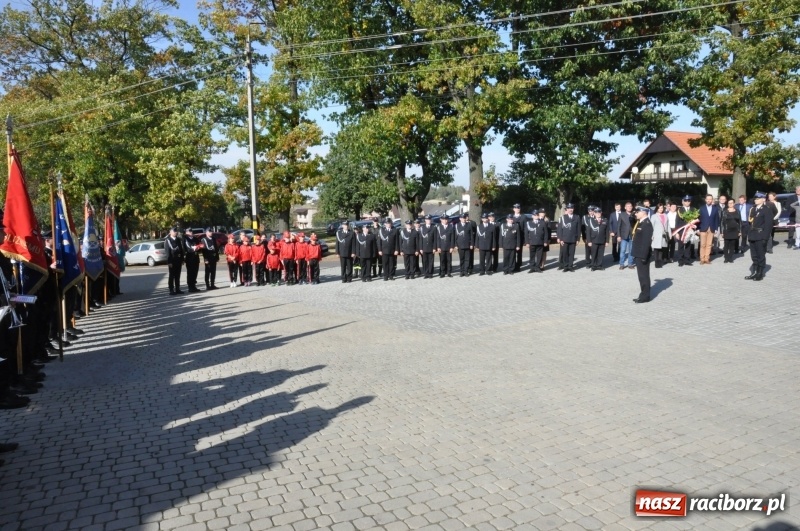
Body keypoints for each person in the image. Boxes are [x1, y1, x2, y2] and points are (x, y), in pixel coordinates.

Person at [745, 192, 771, 281]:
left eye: (757, 199)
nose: (755, 200)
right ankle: (754, 272)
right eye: (755, 199)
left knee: (760, 255)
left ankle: (760, 273)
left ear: (763, 199)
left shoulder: (766, 210)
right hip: (752, 235)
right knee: (754, 255)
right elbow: (750, 223)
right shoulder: (753, 209)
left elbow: (768, 225)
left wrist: (765, 238)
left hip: (760, 235)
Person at [631, 205, 654, 303]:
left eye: (637, 212)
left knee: (643, 276)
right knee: (641, 276)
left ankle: (645, 296)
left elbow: (646, 242)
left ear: (644, 212)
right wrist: (633, 214)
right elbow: (631, 219)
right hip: (639, 254)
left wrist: (644, 256)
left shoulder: (647, 224)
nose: (636, 213)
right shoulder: (641, 222)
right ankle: (643, 294)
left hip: (642, 255)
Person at [556, 203, 581, 272]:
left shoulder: (577, 217)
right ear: (567, 209)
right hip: (565, 239)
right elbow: (560, 229)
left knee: (572, 253)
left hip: (573, 239)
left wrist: (578, 239)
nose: (570, 209)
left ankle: (570, 266)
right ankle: (565, 266)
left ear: (573, 209)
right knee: (565, 253)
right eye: (569, 208)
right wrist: (560, 238)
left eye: (572, 208)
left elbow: (578, 229)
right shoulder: (563, 218)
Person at [698, 194, 720, 264]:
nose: (709, 200)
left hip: (711, 228)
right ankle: (702, 258)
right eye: (708, 199)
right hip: (703, 228)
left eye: (710, 199)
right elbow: (698, 219)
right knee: (702, 244)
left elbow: (717, 219)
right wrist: (698, 228)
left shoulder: (715, 208)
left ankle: (707, 258)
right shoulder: (701, 208)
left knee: (709, 244)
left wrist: (716, 228)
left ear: (712, 200)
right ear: (705, 200)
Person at [524, 208, 548, 273]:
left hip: (540, 242)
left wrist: (545, 241)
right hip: (531, 242)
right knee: (532, 255)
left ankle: (537, 267)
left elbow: (546, 233)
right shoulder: (528, 223)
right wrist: (527, 242)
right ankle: (532, 267)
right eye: (534, 215)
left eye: (537, 215)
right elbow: (526, 234)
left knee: (539, 256)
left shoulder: (543, 223)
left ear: (538, 216)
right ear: (532, 216)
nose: (535, 216)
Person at [165, 227, 184, 295]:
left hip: (178, 260)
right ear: (170, 232)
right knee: (172, 275)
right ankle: (171, 289)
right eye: (174, 231)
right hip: (172, 260)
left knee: (177, 275)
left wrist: (182, 259)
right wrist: (169, 262)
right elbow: (167, 252)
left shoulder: (178, 240)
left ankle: (177, 288)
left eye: (176, 231)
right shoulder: (168, 240)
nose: (176, 232)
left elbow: (181, 250)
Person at [721, 199, 742, 263]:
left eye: (731, 203)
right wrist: (722, 232)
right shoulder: (724, 211)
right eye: (729, 203)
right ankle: (726, 257)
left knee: (732, 244)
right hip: (727, 230)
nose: (730, 204)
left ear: (734, 204)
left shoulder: (737, 211)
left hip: (735, 230)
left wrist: (740, 231)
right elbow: (722, 222)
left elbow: (740, 221)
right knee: (726, 244)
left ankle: (730, 257)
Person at [616, 202, 635, 270]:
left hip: (632, 235)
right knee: (623, 250)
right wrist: (618, 235)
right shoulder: (621, 215)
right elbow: (618, 226)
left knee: (631, 250)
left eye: (630, 206)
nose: (629, 207)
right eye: (628, 206)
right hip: (624, 235)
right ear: (625, 207)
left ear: (632, 207)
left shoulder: (634, 214)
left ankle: (630, 263)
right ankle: (621, 264)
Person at [183, 227, 201, 292]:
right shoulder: (185, 239)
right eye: (189, 231)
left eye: (191, 231)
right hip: (189, 258)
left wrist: (199, 247)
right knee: (190, 272)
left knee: (195, 272)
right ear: (186, 232)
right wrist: (193, 248)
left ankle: (194, 285)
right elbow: (187, 248)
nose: (191, 232)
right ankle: (190, 287)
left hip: (196, 257)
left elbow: (199, 245)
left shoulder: (195, 239)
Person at [651, 204, 668, 269]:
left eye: (662, 208)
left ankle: (660, 262)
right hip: (656, 235)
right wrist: (652, 235)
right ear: (657, 209)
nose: (661, 209)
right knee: (656, 249)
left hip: (663, 235)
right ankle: (656, 262)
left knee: (662, 249)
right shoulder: (654, 216)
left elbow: (667, 225)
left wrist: (669, 234)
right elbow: (651, 226)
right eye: (659, 208)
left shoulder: (665, 215)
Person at [511, 203, 526, 271]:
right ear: (514, 209)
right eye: (516, 208)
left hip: (520, 236)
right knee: (512, 252)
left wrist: (525, 239)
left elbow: (525, 228)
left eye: (518, 208)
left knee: (519, 252)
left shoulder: (523, 217)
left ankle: (518, 266)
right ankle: (512, 265)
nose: (517, 209)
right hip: (512, 237)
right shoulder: (511, 217)